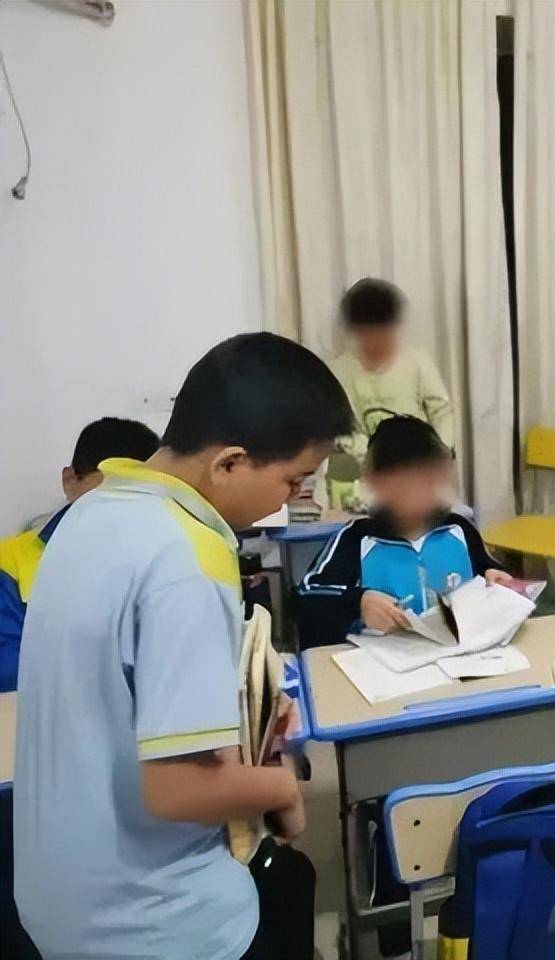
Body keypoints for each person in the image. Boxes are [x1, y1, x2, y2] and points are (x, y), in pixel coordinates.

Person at [13, 333, 354, 960]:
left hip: (55, 903)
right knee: (286, 889)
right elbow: (177, 791)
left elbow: (116, 694)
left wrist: (244, 723)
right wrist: (281, 788)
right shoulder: (190, 557)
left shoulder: (91, 512)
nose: (293, 497)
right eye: (293, 479)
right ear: (229, 462)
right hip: (152, 925)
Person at [297, 414, 511, 649]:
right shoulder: (356, 538)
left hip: (461, 654)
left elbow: (489, 573)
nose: (419, 493)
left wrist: (497, 580)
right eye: (404, 483)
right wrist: (358, 603)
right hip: (382, 660)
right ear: (376, 483)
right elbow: (307, 598)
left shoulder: (459, 529)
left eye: (429, 480)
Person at [0, 417, 159, 693]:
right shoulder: (10, 561)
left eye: (138, 497)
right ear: (69, 480)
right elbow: (7, 668)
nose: (120, 511)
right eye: (106, 495)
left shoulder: (165, 562)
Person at [330, 277, 456, 459]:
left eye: (382, 332)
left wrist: (439, 451)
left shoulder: (417, 362)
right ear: (355, 331)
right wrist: (371, 454)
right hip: (367, 466)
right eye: (367, 333)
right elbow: (340, 431)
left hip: (419, 462)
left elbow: (443, 413)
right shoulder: (340, 372)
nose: (375, 341)